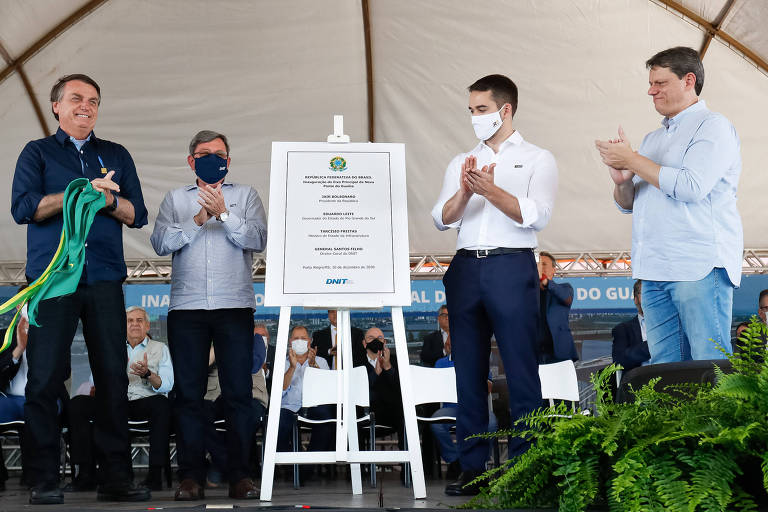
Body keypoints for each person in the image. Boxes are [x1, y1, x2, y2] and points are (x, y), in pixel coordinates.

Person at [10, 73, 149, 504]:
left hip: (104, 277)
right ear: (57, 106)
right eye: (76, 99)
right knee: (45, 378)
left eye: (92, 100)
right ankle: (44, 478)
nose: (85, 106)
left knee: (112, 377)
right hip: (52, 282)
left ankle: (116, 478)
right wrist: (79, 191)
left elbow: (136, 213)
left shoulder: (116, 154)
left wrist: (107, 200)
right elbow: (24, 207)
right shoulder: (37, 153)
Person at [431, 74, 554, 495]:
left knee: (521, 369)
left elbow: (537, 215)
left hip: (511, 264)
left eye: (481, 110)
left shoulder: (539, 158)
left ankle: (526, 467)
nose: (474, 118)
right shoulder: (460, 160)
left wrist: (492, 190)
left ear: (505, 110)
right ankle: (473, 467)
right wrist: (466, 193)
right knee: (467, 372)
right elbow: (442, 217)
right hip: (466, 267)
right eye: (470, 111)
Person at [596, 47, 742, 364]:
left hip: (698, 267)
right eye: (651, 83)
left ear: (688, 80)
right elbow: (628, 204)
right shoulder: (651, 139)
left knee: (710, 363)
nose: (651, 91)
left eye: (660, 82)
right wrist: (622, 180)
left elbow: (692, 187)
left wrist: (632, 159)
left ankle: (715, 418)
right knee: (664, 368)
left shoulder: (713, 126)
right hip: (653, 270)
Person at [150, 130, 267, 501]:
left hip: (234, 307)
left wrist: (225, 214)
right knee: (188, 395)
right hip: (187, 309)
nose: (212, 158)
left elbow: (258, 239)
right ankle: (190, 477)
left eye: (218, 154)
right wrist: (198, 219)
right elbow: (159, 243)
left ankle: (240, 475)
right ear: (191, 161)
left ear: (229, 161)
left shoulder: (245, 195)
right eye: (203, 153)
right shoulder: (174, 199)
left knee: (237, 394)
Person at [65, 306, 174, 492]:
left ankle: (155, 475)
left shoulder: (159, 348)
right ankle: (85, 473)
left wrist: (148, 374)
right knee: (78, 404)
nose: (134, 324)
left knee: (162, 405)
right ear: (122, 326)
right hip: (114, 400)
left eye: (139, 320)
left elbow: (166, 385)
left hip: (143, 401)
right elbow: (94, 381)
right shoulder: (111, 348)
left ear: (147, 326)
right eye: (130, 321)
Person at [204, 328, 268, 487]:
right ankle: (224, 460)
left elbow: (253, 364)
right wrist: (215, 348)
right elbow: (196, 368)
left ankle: (230, 469)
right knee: (195, 413)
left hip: (250, 395)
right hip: (217, 396)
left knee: (245, 417)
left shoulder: (255, 338)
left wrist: (224, 349)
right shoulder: (205, 341)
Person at [430, 335, 497, 481]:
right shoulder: (440, 363)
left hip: (476, 407)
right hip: (451, 409)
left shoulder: (478, 360)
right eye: (449, 342)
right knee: (436, 422)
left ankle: (480, 463)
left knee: (491, 424)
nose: (450, 344)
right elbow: (436, 388)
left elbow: (489, 388)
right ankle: (455, 461)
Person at [276, 325, 334, 479]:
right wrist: (293, 367)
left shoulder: (321, 362)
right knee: (277, 424)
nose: (300, 341)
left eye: (303, 338)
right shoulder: (282, 363)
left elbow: (326, 391)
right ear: (290, 342)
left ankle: (306, 467)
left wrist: (313, 364)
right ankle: (291, 467)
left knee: (327, 421)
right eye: (296, 339)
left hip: (313, 406)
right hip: (289, 407)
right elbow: (279, 390)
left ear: (310, 341)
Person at [537, 251, 578, 363]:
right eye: (538, 264)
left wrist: (545, 281)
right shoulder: (528, 293)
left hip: (559, 352)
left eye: (544, 264)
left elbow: (567, 298)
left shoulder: (564, 287)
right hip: (534, 352)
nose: (540, 267)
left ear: (554, 270)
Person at [611, 281, 651, 378]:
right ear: (636, 300)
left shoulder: (674, 326)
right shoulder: (623, 329)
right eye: (645, 293)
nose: (651, 298)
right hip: (640, 385)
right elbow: (620, 361)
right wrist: (654, 345)